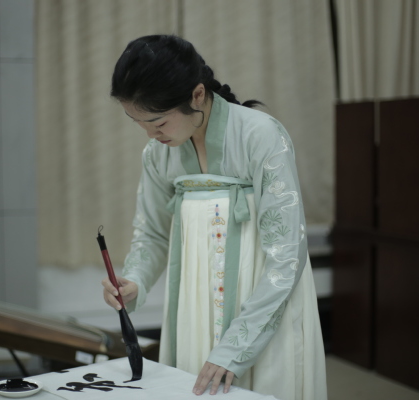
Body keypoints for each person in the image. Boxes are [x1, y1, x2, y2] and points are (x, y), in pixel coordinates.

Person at [101, 34, 327, 399]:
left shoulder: (261, 135)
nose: (150, 134)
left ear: (197, 95)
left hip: (264, 308)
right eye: (138, 122)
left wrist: (237, 346)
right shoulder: (157, 155)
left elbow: (286, 256)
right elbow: (153, 233)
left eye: (158, 122)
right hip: (193, 308)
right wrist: (135, 282)